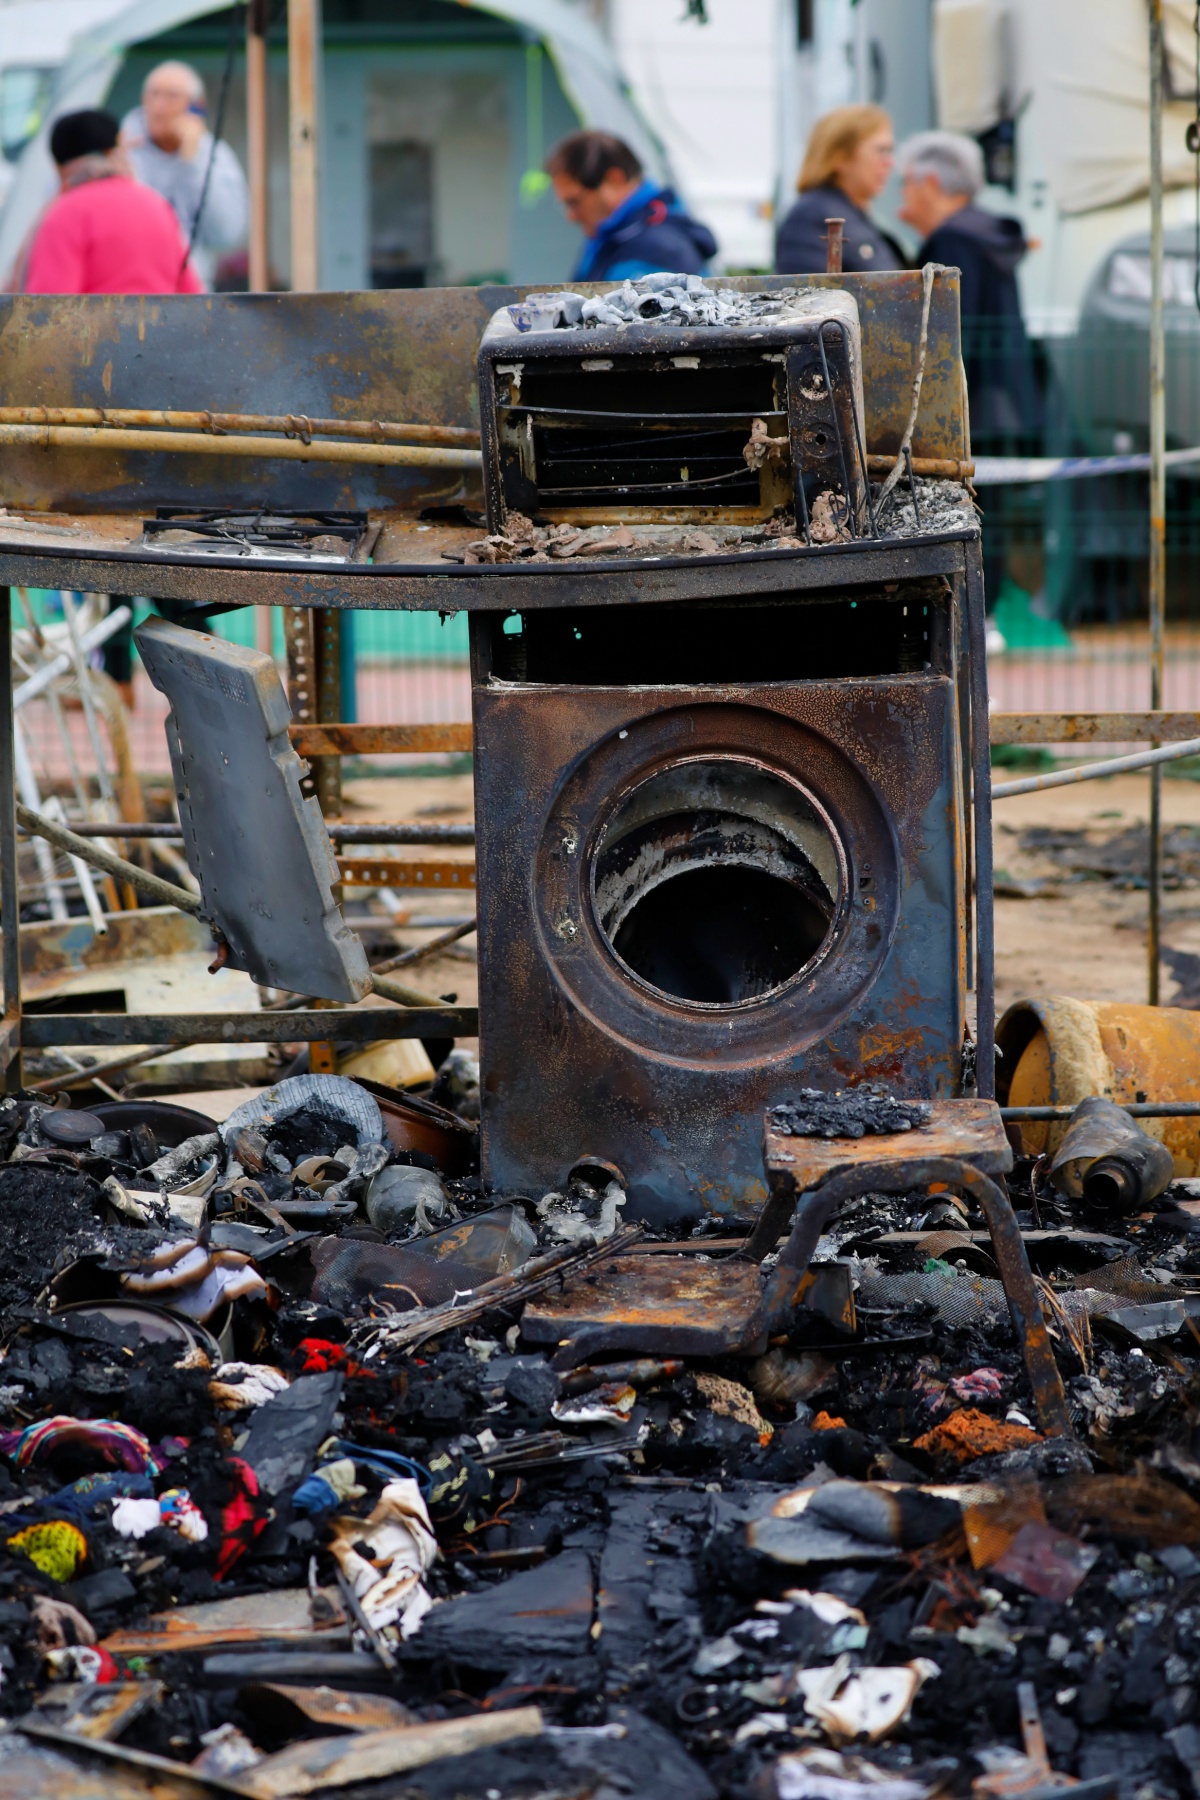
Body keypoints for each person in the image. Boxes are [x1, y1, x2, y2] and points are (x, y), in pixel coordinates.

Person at [897, 129, 1036, 442]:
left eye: (905, 182)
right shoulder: (982, 229)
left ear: (930, 183)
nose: (902, 194)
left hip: (972, 410)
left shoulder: (953, 240)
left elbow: (947, 333)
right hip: (1004, 401)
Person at [23, 108, 204, 294]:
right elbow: (191, 296)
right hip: (164, 323)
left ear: (59, 167)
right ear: (114, 151)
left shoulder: (65, 213)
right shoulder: (157, 205)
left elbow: (49, 309)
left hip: (96, 324)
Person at [120, 61, 248, 285]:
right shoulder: (122, 152)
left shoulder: (213, 154)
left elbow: (227, 233)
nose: (159, 106)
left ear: (195, 107)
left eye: (171, 97)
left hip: (192, 290)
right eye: (153, 95)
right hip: (130, 288)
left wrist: (193, 162)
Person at [546, 130, 716, 282]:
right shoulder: (611, 239)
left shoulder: (658, 249)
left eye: (574, 202)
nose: (570, 216)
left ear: (614, 180)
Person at [775, 104, 903, 275]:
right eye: (881, 150)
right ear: (840, 156)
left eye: (890, 151)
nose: (889, 163)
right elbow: (807, 295)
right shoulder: (813, 215)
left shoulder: (850, 212)